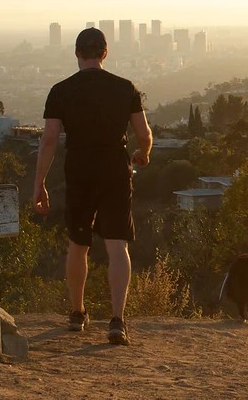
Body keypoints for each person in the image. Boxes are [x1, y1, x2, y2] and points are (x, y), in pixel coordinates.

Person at [33, 27, 152, 346]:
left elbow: (48, 141)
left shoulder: (60, 91)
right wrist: (144, 154)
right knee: (117, 245)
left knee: (78, 243)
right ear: (105, 53)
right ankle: (117, 322)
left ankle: (76, 313)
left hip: (80, 168)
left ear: (77, 53)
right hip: (115, 167)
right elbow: (144, 133)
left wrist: (39, 184)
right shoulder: (125, 88)